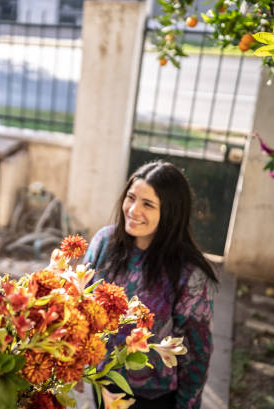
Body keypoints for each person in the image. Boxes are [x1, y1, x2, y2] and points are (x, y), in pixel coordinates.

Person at [83, 161, 218, 409]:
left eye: (148, 204)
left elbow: (198, 353)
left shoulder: (189, 274)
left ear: (169, 212)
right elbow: (80, 306)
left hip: (153, 398)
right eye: (131, 197)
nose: (133, 210)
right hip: (102, 382)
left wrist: (188, 404)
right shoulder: (103, 243)